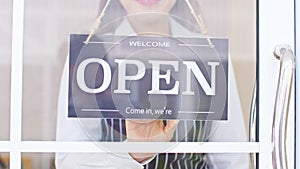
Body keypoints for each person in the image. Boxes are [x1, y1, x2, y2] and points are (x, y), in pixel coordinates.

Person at [56, 0, 249, 168]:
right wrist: (131, 154)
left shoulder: (209, 55)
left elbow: (232, 159)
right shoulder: (89, 54)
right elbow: (69, 161)